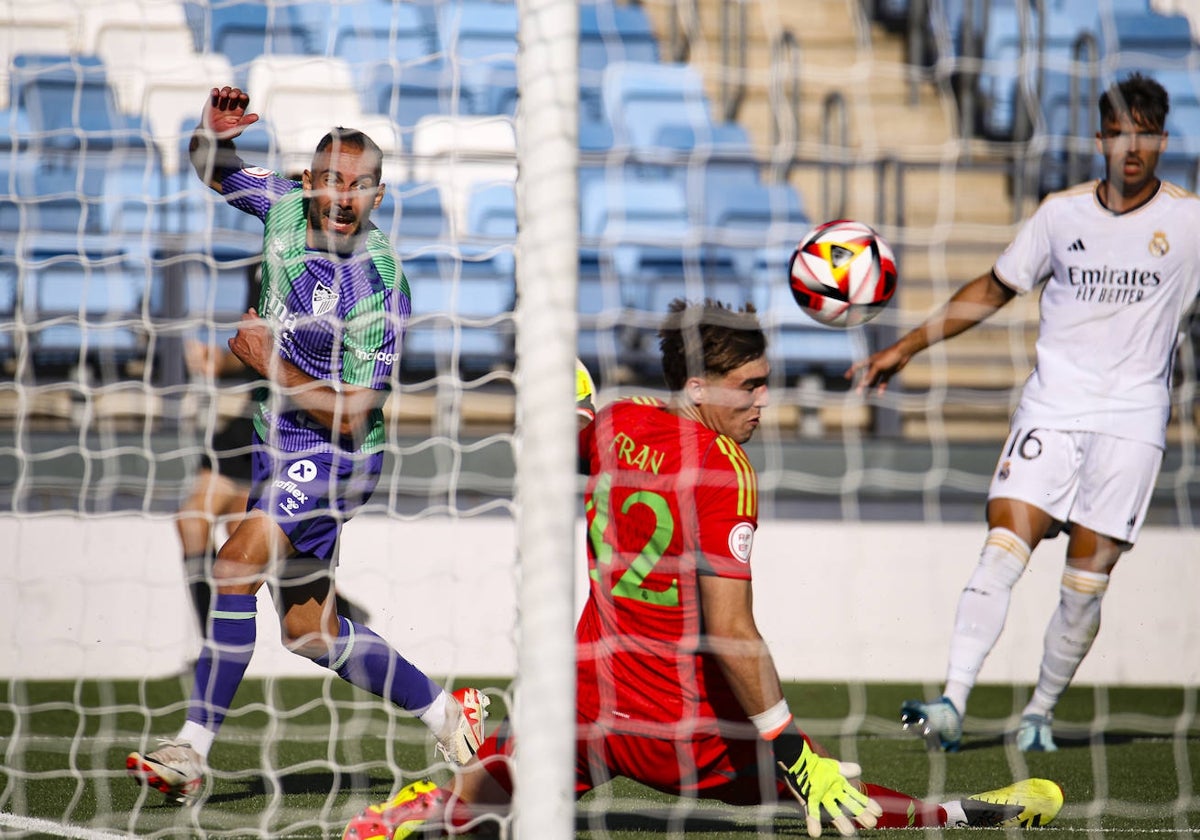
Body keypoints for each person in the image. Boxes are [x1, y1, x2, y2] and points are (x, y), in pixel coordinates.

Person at [343, 299, 1065, 839]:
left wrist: (565, 389)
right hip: (680, 730)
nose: (762, 399)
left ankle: (421, 812)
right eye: (748, 385)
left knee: (512, 778)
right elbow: (730, 629)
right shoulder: (724, 468)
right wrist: (788, 741)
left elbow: (572, 436)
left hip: (588, 702)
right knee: (819, 786)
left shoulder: (618, 423)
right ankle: (964, 810)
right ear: (698, 384)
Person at [126, 86, 488, 804]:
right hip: (276, 445)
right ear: (308, 181)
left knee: (233, 565)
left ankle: (191, 751)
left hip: (338, 458)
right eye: (329, 181)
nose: (341, 197)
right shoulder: (283, 206)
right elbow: (214, 170)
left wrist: (266, 363)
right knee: (309, 633)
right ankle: (449, 713)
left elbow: (355, 414)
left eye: (358, 186)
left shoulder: (379, 282)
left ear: (379, 195)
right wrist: (213, 135)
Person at [849, 72, 1200, 752]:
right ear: (1099, 138)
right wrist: (907, 345)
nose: (1132, 147)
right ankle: (952, 701)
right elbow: (995, 286)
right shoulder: (1058, 214)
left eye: (1147, 134)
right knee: (1002, 549)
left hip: (1133, 422)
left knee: (1085, 585)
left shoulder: (1189, 224)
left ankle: (1038, 711)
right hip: (1052, 409)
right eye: (1120, 132)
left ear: (1162, 141)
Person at [177, 263, 370, 652]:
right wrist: (222, 358)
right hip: (255, 410)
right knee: (193, 521)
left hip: (292, 425)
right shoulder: (265, 259)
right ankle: (211, 645)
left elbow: (292, 358)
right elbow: (259, 348)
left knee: (248, 544)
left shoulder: (337, 272)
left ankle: (335, 613)